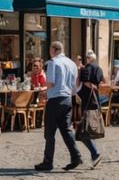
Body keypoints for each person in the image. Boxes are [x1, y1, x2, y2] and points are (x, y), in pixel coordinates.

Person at [35, 42, 83, 172]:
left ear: (54, 50)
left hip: (55, 100)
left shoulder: (53, 62)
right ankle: (76, 156)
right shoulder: (72, 64)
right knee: (66, 130)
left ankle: (48, 162)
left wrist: (45, 91)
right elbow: (74, 85)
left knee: (49, 133)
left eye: (50, 49)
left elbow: (50, 82)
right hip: (67, 99)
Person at [76, 50, 104, 169]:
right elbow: (100, 82)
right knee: (84, 131)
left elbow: (82, 83)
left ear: (88, 59)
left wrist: (79, 72)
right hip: (94, 101)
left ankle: (95, 154)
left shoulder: (85, 69)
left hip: (87, 102)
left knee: (82, 132)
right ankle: (93, 154)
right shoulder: (99, 68)